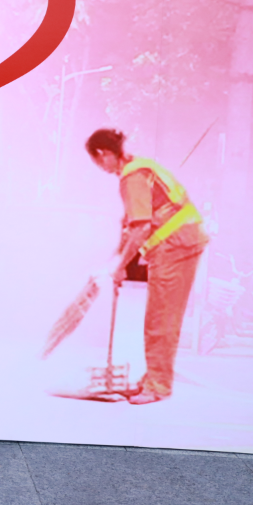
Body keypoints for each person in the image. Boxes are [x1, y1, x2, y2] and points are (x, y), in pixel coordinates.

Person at [86, 128, 208, 404]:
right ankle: (153, 378)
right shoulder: (141, 167)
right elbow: (131, 224)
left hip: (174, 246)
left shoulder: (132, 177)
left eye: (97, 161)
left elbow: (141, 228)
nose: (100, 167)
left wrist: (121, 267)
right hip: (183, 242)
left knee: (160, 319)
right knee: (163, 317)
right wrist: (117, 260)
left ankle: (157, 385)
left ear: (103, 154)